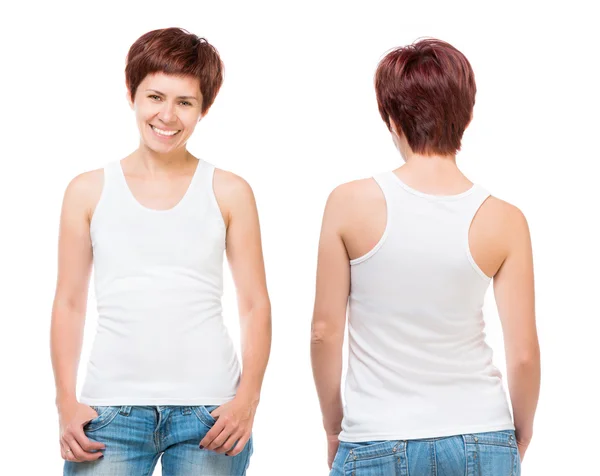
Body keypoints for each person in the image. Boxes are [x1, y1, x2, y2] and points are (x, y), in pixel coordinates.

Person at [311, 38, 540, 475]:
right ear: (467, 114)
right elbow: (524, 353)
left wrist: (332, 425)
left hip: (375, 435)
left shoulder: (348, 203)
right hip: (482, 434)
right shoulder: (505, 219)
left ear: (390, 116)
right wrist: (522, 431)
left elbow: (324, 332)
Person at [50, 27, 271, 475]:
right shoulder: (87, 191)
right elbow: (69, 303)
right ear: (131, 92)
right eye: (155, 97)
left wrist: (247, 400)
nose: (167, 116)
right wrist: (66, 403)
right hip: (109, 412)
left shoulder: (229, 191)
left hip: (210, 415)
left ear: (203, 108)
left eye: (184, 102)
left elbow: (254, 304)